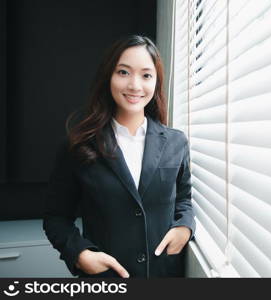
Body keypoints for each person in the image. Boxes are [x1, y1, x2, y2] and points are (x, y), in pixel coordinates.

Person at [43, 34, 195, 278]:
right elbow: (56, 217)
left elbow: (184, 199)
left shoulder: (176, 142)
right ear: (108, 77)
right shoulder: (78, 146)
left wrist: (185, 227)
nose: (135, 85)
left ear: (156, 82)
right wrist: (81, 254)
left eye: (146, 75)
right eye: (124, 72)